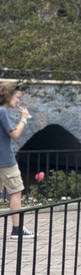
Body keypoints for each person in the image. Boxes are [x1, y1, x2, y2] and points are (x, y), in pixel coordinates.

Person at [0, 82, 34, 239]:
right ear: (8, 95)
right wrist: (24, 120)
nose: (19, 101)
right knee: (16, 190)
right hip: (5, 159)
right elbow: (14, 134)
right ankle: (17, 229)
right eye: (17, 97)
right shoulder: (2, 111)